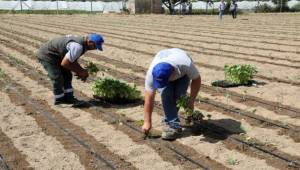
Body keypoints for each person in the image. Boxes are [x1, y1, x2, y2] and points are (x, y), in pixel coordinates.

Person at [142, 48, 201, 140]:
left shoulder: (185, 64)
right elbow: (149, 98)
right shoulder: (151, 74)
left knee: (180, 95)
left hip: (182, 72)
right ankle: (172, 124)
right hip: (166, 63)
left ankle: (181, 118)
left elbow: (197, 79)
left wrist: (191, 101)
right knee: (166, 94)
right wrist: (147, 121)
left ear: (173, 74)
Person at [36, 34, 104, 105]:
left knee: (67, 75)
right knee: (57, 77)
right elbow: (65, 63)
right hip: (48, 55)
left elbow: (72, 60)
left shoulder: (83, 44)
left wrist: (80, 70)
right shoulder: (78, 46)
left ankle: (69, 98)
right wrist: (81, 71)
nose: (95, 48)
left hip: (58, 56)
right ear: (90, 41)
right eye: (95, 46)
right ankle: (60, 101)